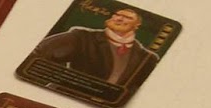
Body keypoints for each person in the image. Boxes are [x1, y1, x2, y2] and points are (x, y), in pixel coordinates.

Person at [30, 6, 160, 91]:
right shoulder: (82, 36)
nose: (119, 18)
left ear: (137, 25)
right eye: (117, 14)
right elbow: (39, 53)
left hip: (106, 106)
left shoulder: (147, 58)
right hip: (64, 95)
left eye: (127, 17)